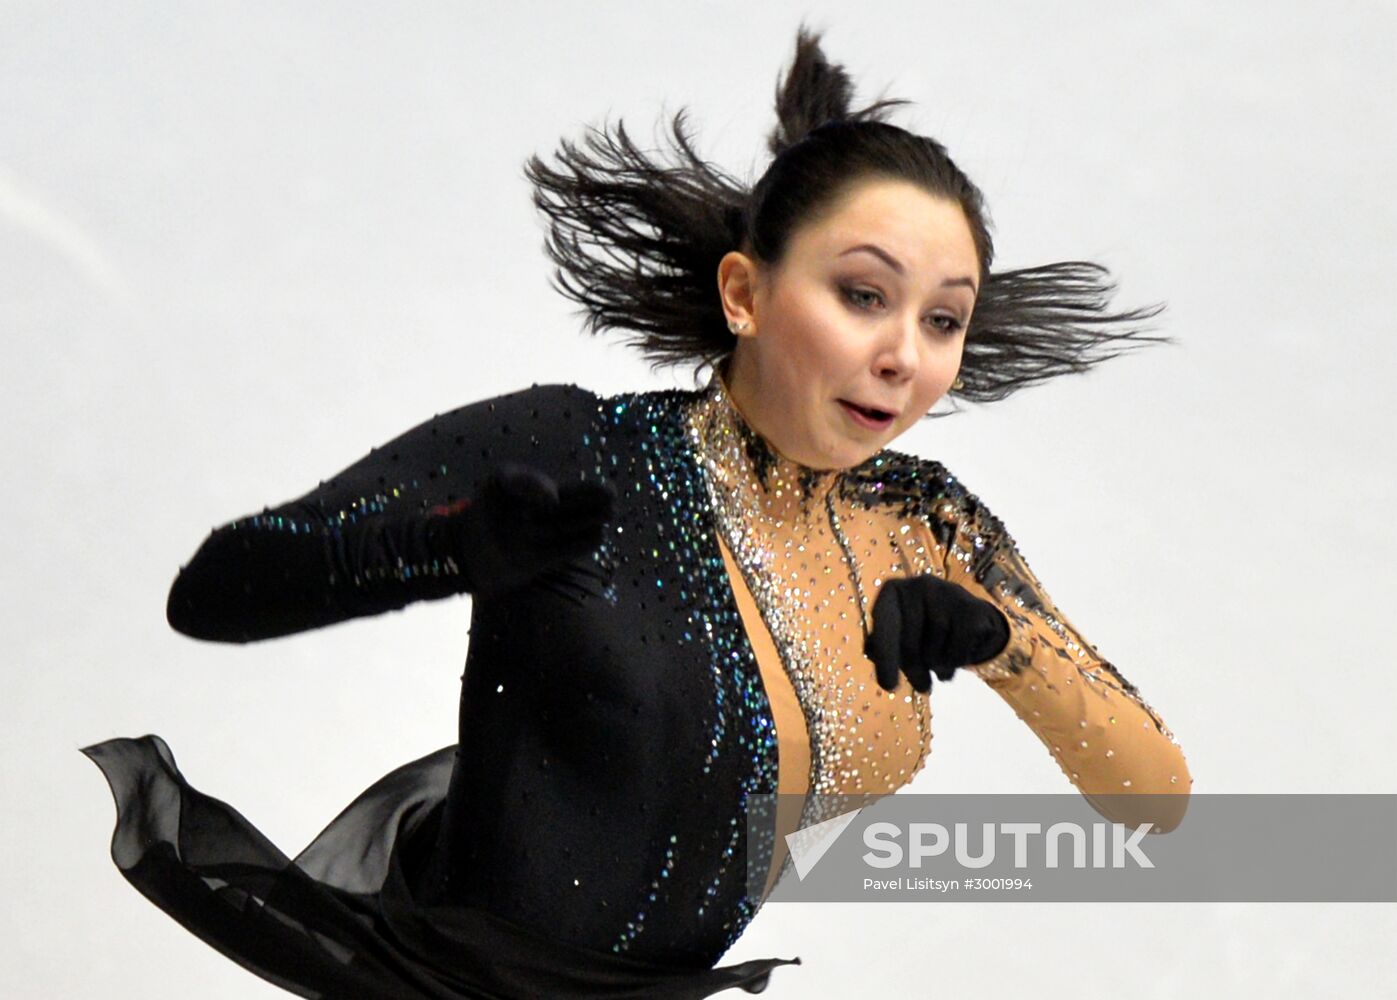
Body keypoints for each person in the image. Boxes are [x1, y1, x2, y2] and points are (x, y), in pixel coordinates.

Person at [82, 25, 1191, 1000]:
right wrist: (441, 550)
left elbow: (1153, 801)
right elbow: (216, 591)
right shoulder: (581, 450)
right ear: (744, 294)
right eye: (861, 295)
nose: (902, 356)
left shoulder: (926, 525)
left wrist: (1002, 640)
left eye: (943, 319)